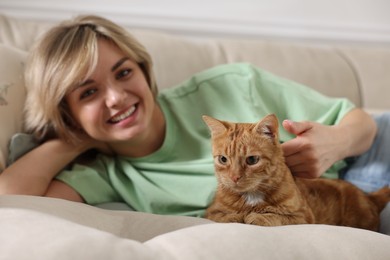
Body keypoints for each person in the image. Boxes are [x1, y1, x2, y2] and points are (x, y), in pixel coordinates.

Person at [0, 15, 388, 233]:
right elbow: (10, 199)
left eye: (123, 72)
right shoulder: (106, 175)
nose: (116, 97)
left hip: (370, 156)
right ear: (67, 112)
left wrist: (332, 144)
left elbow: (362, 124)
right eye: (88, 93)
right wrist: (72, 136)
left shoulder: (233, 84)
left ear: (144, 69)